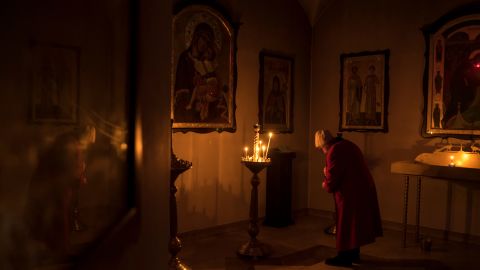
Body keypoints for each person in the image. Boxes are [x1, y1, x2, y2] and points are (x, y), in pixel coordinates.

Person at [24, 125, 95, 256]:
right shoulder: (69, 144)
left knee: (58, 216)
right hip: (50, 188)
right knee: (57, 217)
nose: (90, 142)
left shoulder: (70, 143)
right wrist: (77, 178)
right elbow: (67, 167)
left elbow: (75, 165)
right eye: (89, 137)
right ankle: (61, 250)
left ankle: (59, 248)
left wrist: (78, 175)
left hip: (52, 187)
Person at [314, 129, 382, 267]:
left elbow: (332, 179)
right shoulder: (348, 144)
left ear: (324, 144)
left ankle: (344, 257)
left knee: (345, 223)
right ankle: (354, 254)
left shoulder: (333, 151)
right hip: (363, 188)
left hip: (350, 192)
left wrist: (325, 181)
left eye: (321, 148)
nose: (323, 151)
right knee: (354, 224)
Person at [173, 22, 224, 123]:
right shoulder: (185, 58)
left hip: (207, 101)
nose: (205, 44)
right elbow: (181, 89)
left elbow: (214, 84)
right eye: (203, 39)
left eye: (208, 42)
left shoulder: (207, 62)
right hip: (189, 107)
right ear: (196, 37)